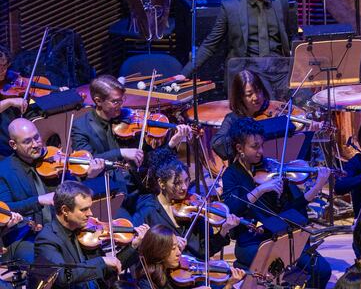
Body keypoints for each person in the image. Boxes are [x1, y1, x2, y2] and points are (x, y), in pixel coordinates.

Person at [221, 116, 332, 289]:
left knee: (322, 269)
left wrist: (316, 187)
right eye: (255, 147)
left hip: (282, 236)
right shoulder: (231, 176)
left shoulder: (272, 168)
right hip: (252, 242)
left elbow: (294, 207)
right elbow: (233, 208)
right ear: (239, 148)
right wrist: (261, 189)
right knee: (277, 273)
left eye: (262, 145)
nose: (261, 152)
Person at [35, 181, 142, 289]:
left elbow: (107, 271)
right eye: (84, 209)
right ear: (65, 210)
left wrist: (133, 246)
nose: (90, 214)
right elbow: (62, 276)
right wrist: (101, 261)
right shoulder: (47, 239)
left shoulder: (84, 233)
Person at [180, 0, 298, 98]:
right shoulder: (231, 7)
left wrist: (300, 67)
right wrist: (184, 73)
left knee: (304, 98)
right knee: (265, 100)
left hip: (279, 71)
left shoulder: (281, 2)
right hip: (249, 71)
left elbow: (292, 37)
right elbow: (210, 45)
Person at [0, 118, 104, 264]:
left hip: (62, 229)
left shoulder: (54, 159)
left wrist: (88, 176)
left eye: (36, 137)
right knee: (47, 262)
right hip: (26, 235)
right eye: (27, 141)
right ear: (13, 145)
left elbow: (73, 191)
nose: (36, 144)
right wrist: (39, 200)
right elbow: (5, 209)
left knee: (97, 254)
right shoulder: (4, 171)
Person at [72, 75, 187, 205]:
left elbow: (151, 157)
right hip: (110, 193)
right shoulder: (81, 127)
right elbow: (86, 161)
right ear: (98, 101)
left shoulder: (129, 118)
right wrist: (121, 152)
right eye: (115, 102)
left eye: (122, 100)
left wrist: (171, 143)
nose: (121, 105)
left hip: (141, 188)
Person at [210, 69, 297, 162]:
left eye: (258, 91)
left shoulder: (272, 112)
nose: (256, 97)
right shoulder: (233, 119)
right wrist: (244, 134)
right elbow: (217, 144)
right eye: (249, 94)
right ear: (240, 97)